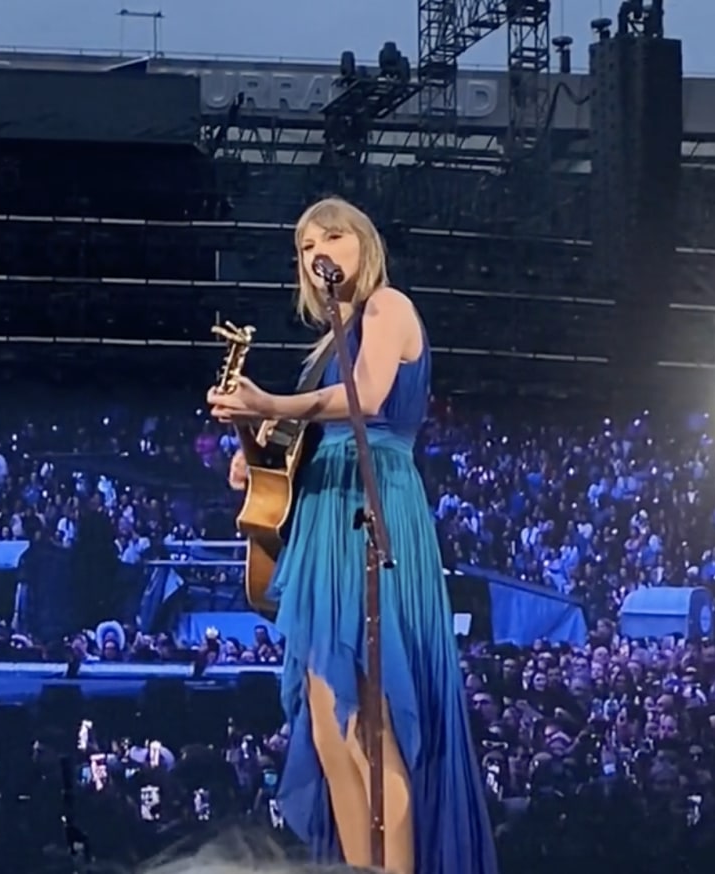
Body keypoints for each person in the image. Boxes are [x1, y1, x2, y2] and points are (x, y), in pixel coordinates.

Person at [207, 197, 497, 874]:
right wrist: (256, 444)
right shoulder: (321, 353)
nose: (317, 252)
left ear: (362, 245)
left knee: (374, 716)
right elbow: (308, 432)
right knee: (331, 719)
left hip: (370, 505)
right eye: (305, 246)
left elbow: (366, 399)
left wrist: (272, 405)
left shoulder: (386, 308)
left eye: (331, 236)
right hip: (321, 515)